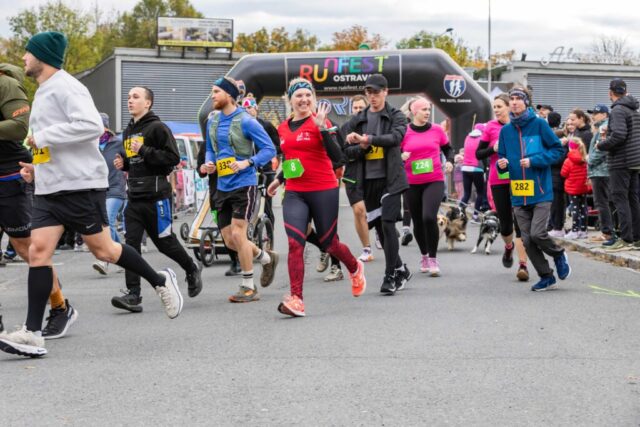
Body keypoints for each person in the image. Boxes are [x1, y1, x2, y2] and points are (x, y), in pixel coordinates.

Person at [0, 32, 183, 358]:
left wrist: (44, 135)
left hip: (80, 186)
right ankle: (32, 333)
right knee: (38, 253)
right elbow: (49, 145)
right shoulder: (43, 90)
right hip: (50, 188)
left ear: (43, 56)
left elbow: (90, 126)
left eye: (29, 52)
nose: (23, 58)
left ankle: (160, 280)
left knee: (105, 250)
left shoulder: (68, 87)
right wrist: (36, 168)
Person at [267, 77, 366, 317]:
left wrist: (322, 128)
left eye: (308, 95)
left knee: (329, 243)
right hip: (295, 192)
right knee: (294, 243)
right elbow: (291, 159)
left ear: (313, 98)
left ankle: (354, 266)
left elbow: (339, 158)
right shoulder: (283, 128)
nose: (304, 99)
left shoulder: (322, 122)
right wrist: (279, 179)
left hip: (323, 189)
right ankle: (296, 299)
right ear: (290, 100)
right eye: (298, 95)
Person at [0, 61, 79, 339]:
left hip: (10, 178)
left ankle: (60, 308)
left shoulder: (5, 83)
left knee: (28, 249)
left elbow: (19, 126)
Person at [111, 86, 203, 313]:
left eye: (135, 97)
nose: (130, 101)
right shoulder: (128, 130)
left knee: (164, 242)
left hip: (156, 196)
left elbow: (172, 158)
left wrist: (143, 150)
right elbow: (134, 160)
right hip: (134, 197)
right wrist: (124, 162)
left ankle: (191, 268)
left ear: (148, 103)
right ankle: (133, 294)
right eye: (128, 97)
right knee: (130, 244)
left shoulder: (158, 127)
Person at [204, 76, 278, 302]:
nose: (212, 96)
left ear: (229, 94)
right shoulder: (212, 121)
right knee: (229, 241)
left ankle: (248, 286)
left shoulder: (246, 121)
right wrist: (208, 163)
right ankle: (266, 258)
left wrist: (249, 162)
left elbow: (269, 149)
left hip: (244, 184)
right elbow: (210, 149)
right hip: (222, 185)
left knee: (239, 233)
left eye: (216, 92)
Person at [342, 74, 412, 295]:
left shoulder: (396, 115)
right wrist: (359, 147)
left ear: (385, 92)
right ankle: (401, 269)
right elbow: (346, 151)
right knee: (381, 230)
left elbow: (396, 138)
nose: (372, 96)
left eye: (376, 92)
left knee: (388, 224)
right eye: (369, 92)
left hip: (391, 180)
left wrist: (368, 139)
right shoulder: (358, 119)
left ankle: (389, 276)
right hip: (368, 181)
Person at [497, 86, 571, 292]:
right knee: (527, 240)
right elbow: (501, 159)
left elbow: (557, 150)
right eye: (511, 99)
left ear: (526, 102)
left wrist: (534, 161)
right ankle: (546, 276)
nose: (514, 102)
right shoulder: (505, 131)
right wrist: (501, 165)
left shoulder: (539, 124)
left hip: (540, 191)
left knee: (538, 234)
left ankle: (558, 254)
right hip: (518, 193)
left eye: (518, 98)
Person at [476, 93, 529, 281]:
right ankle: (508, 246)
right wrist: (493, 149)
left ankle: (523, 265)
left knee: (521, 221)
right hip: (499, 180)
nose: (496, 110)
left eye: (499, 106)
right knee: (506, 225)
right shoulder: (490, 127)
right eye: (494, 107)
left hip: (520, 178)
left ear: (509, 106)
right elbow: (478, 153)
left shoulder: (521, 126)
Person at [400, 97, 453, 276]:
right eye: (423, 109)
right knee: (417, 221)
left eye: (429, 109)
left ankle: (433, 258)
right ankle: (423, 254)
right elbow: (394, 152)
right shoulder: (404, 132)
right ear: (414, 111)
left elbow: (448, 148)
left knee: (429, 217)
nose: (427, 113)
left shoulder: (437, 130)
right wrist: (401, 156)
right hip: (411, 183)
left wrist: (450, 161)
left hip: (434, 180)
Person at [596, 79, 640, 251]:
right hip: (635, 160)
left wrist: (601, 144)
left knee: (620, 199)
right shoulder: (633, 109)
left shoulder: (618, 109)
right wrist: (611, 132)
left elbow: (620, 135)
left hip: (621, 161)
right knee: (633, 199)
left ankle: (626, 239)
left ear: (610, 92)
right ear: (625, 91)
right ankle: (636, 238)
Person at [341, 94, 375, 262]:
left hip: (374, 172)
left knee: (376, 212)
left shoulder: (374, 125)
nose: (358, 110)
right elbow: (344, 153)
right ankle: (367, 249)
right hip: (353, 174)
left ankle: (380, 232)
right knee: (359, 211)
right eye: (355, 108)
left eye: (361, 107)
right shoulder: (346, 127)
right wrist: (362, 147)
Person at [92, 112, 126, 275]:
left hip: (115, 188)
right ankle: (124, 258)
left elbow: (130, 161)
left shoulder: (118, 143)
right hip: (98, 190)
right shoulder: (91, 144)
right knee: (105, 223)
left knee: (108, 222)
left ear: (105, 127)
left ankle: (104, 260)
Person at [586, 104, 614, 243]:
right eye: (592, 113)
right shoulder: (600, 127)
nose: (593, 116)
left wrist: (590, 161)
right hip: (600, 170)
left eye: (596, 113)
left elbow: (602, 149)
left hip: (601, 171)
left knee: (602, 202)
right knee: (604, 202)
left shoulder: (604, 127)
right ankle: (608, 231)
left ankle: (607, 232)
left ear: (604, 114)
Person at [561, 137, 590, 239]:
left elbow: (563, 173)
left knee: (574, 209)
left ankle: (574, 230)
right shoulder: (585, 159)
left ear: (570, 147)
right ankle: (583, 230)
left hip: (572, 188)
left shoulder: (568, 160)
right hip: (583, 187)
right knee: (583, 208)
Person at [460, 123, 487, 222]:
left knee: (466, 193)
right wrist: (486, 168)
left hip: (465, 168)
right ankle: (475, 216)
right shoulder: (482, 139)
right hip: (477, 168)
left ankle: (459, 212)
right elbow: (483, 155)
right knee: (480, 193)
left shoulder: (467, 137)